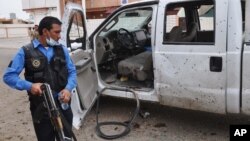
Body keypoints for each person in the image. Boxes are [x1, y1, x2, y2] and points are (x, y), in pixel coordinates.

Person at [3, 16, 77, 141]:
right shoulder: (25, 51)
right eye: (57, 32)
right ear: (45, 32)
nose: (59, 36)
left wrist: (68, 89)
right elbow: (8, 76)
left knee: (66, 137)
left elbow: (72, 72)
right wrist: (30, 86)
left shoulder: (62, 50)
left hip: (63, 105)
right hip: (41, 108)